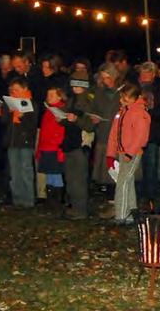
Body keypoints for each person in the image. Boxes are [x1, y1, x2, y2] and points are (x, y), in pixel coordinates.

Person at [106, 83, 151, 225]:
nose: (122, 101)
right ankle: (131, 213)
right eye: (121, 98)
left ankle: (121, 214)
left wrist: (130, 153)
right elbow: (114, 133)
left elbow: (141, 137)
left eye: (125, 99)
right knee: (127, 181)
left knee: (123, 182)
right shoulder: (122, 111)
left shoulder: (140, 114)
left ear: (135, 98)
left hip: (132, 153)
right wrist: (110, 153)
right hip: (121, 151)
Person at [61, 70, 96, 220]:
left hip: (80, 144)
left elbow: (90, 125)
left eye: (78, 85)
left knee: (79, 179)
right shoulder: (71, 100)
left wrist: (76, 120)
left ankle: (81, 210)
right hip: (69, 142)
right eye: (73, 85)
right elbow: (67, 118)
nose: (75, 88)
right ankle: (74, 207)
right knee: (70, 178)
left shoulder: (88, 101)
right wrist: (61, 118)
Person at [0, 77, 38, 208]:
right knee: (14, 172)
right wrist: (7, 112)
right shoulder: (9, 102)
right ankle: (17, 199)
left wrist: (23, 117)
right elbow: (4, 122)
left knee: (26, 170)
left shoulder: (31, 103)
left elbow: (34, 124)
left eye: (16, 90)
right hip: (12, 141)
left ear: (25, 89)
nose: (14, 92)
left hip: (26, 141)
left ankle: (29, 200)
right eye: (12, 90)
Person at [137, 62, 160, 205]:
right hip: (136, 133)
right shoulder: (134, 87)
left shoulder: (159, 89)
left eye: (148, 73)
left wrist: (148, 113)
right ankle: (139, 192)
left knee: (151, 164)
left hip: (152, 133)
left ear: (153, 74)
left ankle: (151, 195)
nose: (145, 76)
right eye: (143, 73)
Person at [35, 86, 68, 214]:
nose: (49, 98)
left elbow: (62, 132)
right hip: (46, 148)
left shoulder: (61, 111)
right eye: (48, 95)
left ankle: (57, 203)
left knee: (56, 175)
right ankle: (50, 202)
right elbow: (43, 132)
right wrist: (40, 150)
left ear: (60, 96)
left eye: (52, 95)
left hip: (55, 149)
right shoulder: (48, 111)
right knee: (49, 175)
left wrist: (59, 149)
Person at [91, 64, 121, 195]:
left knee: (117, 167)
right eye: (103, 78)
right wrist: (95, 118)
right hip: (103, 133)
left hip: (118, 134)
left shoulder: (122, 91)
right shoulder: (99, 92)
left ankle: (118, 198)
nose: (105, 81)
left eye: (108, 77)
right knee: (106, 168)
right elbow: (95, 108)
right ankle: (109, 197)